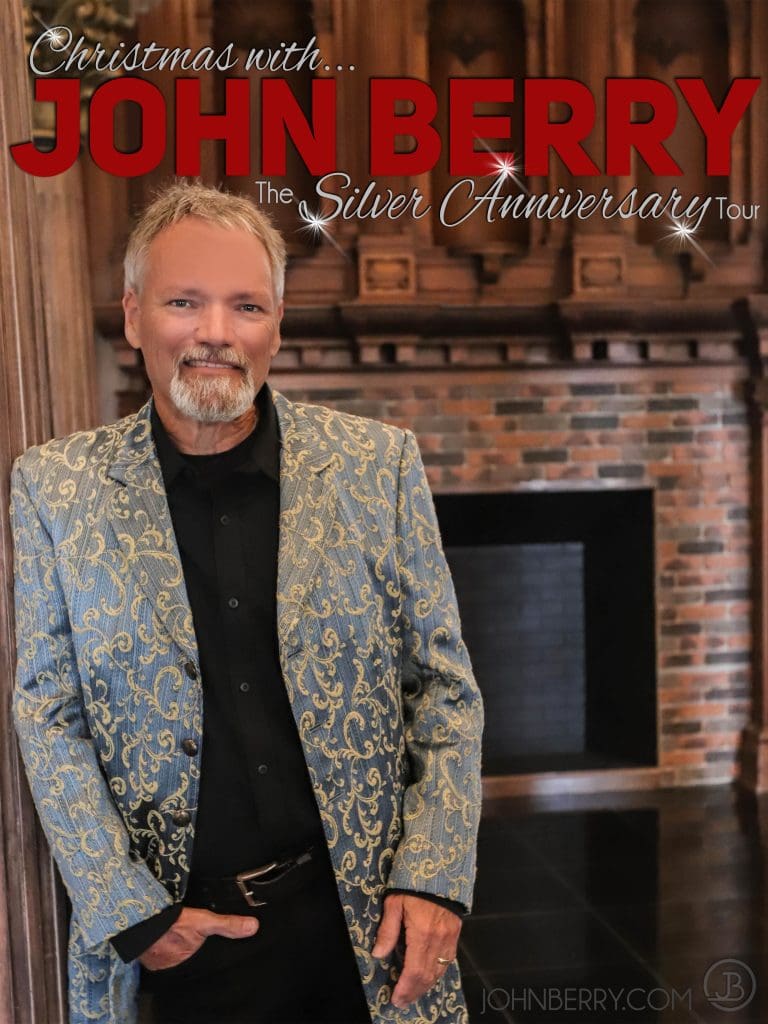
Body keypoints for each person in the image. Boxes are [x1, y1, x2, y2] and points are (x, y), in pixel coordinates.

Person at [10, 182, 483, 1024]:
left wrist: (436, 877)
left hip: (364, 930)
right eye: (184, 302)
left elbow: (443, 689)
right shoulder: (56, 487)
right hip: (176, 950)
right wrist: (127, 909)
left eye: (247, 305)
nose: (216, 334)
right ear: (132, 314)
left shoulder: (379, 468)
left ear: (278, 323)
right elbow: (49, 709)